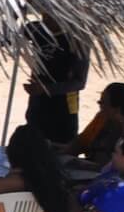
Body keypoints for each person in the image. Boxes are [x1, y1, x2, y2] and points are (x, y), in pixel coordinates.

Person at [21, 15, 89, 144]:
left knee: (61, 148)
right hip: (37, 104)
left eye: (50, 15)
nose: (46, 19)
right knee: (34, 144)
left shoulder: (77, 40)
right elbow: (3, 38)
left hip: (63, 108)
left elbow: (79, 82)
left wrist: (46, 89)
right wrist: (17, 13)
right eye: (44, 15)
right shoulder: (37, 30)